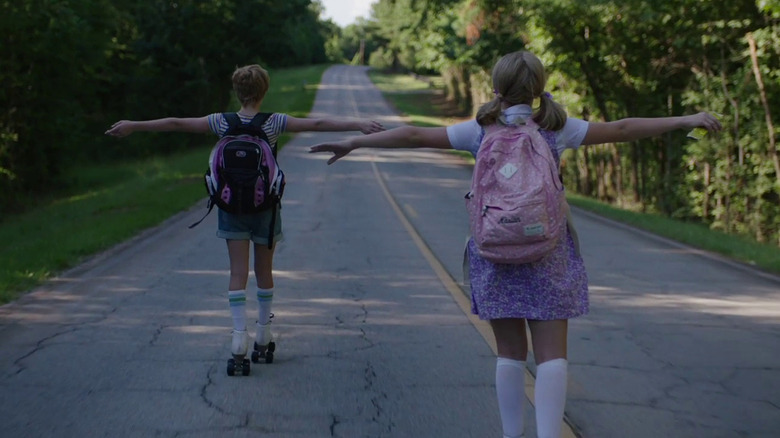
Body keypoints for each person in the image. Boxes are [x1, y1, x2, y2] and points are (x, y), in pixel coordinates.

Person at [309, 51, 721, 437]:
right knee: (552, 357)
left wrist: (354, 142)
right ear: (539, 87)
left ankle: (511, 434)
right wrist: (685, 119)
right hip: (549, 253)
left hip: (495, 251)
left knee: (509, 354)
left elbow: (414, 135)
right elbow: (624, 129)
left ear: (497, 88)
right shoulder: (557, 129)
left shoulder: (479, 131)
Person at [106, 64, 384, 370]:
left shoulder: (221, 122)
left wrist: (134, 125)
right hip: (265, 207)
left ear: (237, 92)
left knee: (237, 273)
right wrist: (358, 123)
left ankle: (239, 338)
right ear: (264, 91)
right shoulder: (273, 123)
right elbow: (317, 122)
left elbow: (176, 123)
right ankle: (263, 334)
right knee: (264, 272)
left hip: (230, 208)